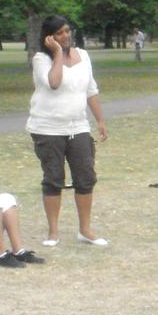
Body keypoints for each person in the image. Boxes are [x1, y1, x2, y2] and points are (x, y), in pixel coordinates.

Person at [27, 15, 109, 247]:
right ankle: (53, 232)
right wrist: (57, 55)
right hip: (48, 127)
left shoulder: (82, 55)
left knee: (85, 177)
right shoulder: (41, 59)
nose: (65, 36)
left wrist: (100, 120)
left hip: (78, 126)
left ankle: (85, 230)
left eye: (67, 31)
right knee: (53, 179)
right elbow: (53, 82)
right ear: (49, 37)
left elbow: (91, 90)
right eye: (59, 33)